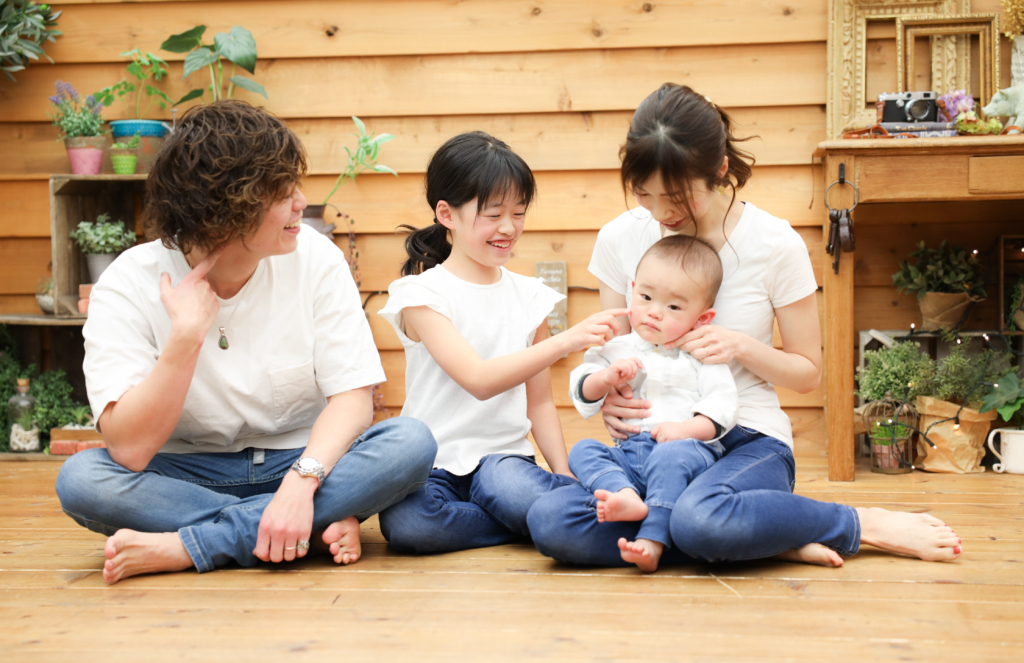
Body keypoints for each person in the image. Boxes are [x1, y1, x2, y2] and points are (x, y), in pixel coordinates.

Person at [527, 83, 963, 567]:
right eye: (644, 194)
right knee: (551, 521)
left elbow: (807, 373)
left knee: (701, 521)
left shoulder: (775, 244)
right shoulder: (619, 238)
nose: (660, 213)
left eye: (676, 197)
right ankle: (756, 531)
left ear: (719, 169)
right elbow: (616, 346)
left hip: (746, 439)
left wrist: (739, 346)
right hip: (655, 446)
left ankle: (856, 523)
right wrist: (610, 394)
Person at [54, 100, 437, 584]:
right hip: (182, 475)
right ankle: (296, 531)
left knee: (410, 442)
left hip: (301, 466)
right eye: (281, 192)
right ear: (224, 207)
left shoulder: (316, 259)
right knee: (82, 481)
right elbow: (129, 450)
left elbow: (355, 402)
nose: (301, 202)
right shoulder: (128, 283)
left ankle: (194, 544)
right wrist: (184, 341)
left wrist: (300, 486)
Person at [377, 131, 626, 554]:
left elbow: (539, 403)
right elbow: (477, 379)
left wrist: (562, 472)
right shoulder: (419, 294)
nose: (508, 228)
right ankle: (528, 524)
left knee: (507, 485)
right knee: (409, 523)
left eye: (518, 213)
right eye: (492, 215)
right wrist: (566, 341)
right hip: (433, 468)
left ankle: (546, 510)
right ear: (446, 214)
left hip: (503, 463)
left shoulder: (530, 296)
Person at [567, 235, 737, 572]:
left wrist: (685, 429)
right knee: (583, 450)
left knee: (671, 456)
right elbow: (582, 387)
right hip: (629, 455)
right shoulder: (617, 347)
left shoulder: (701, 355)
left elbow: (723, 408)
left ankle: (653, 538)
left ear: (702, 319)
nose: (654, 313)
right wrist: (605, 379)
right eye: (645, 297)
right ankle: (624, 494)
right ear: (632, 290)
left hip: (685, 453)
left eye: (673, 307)